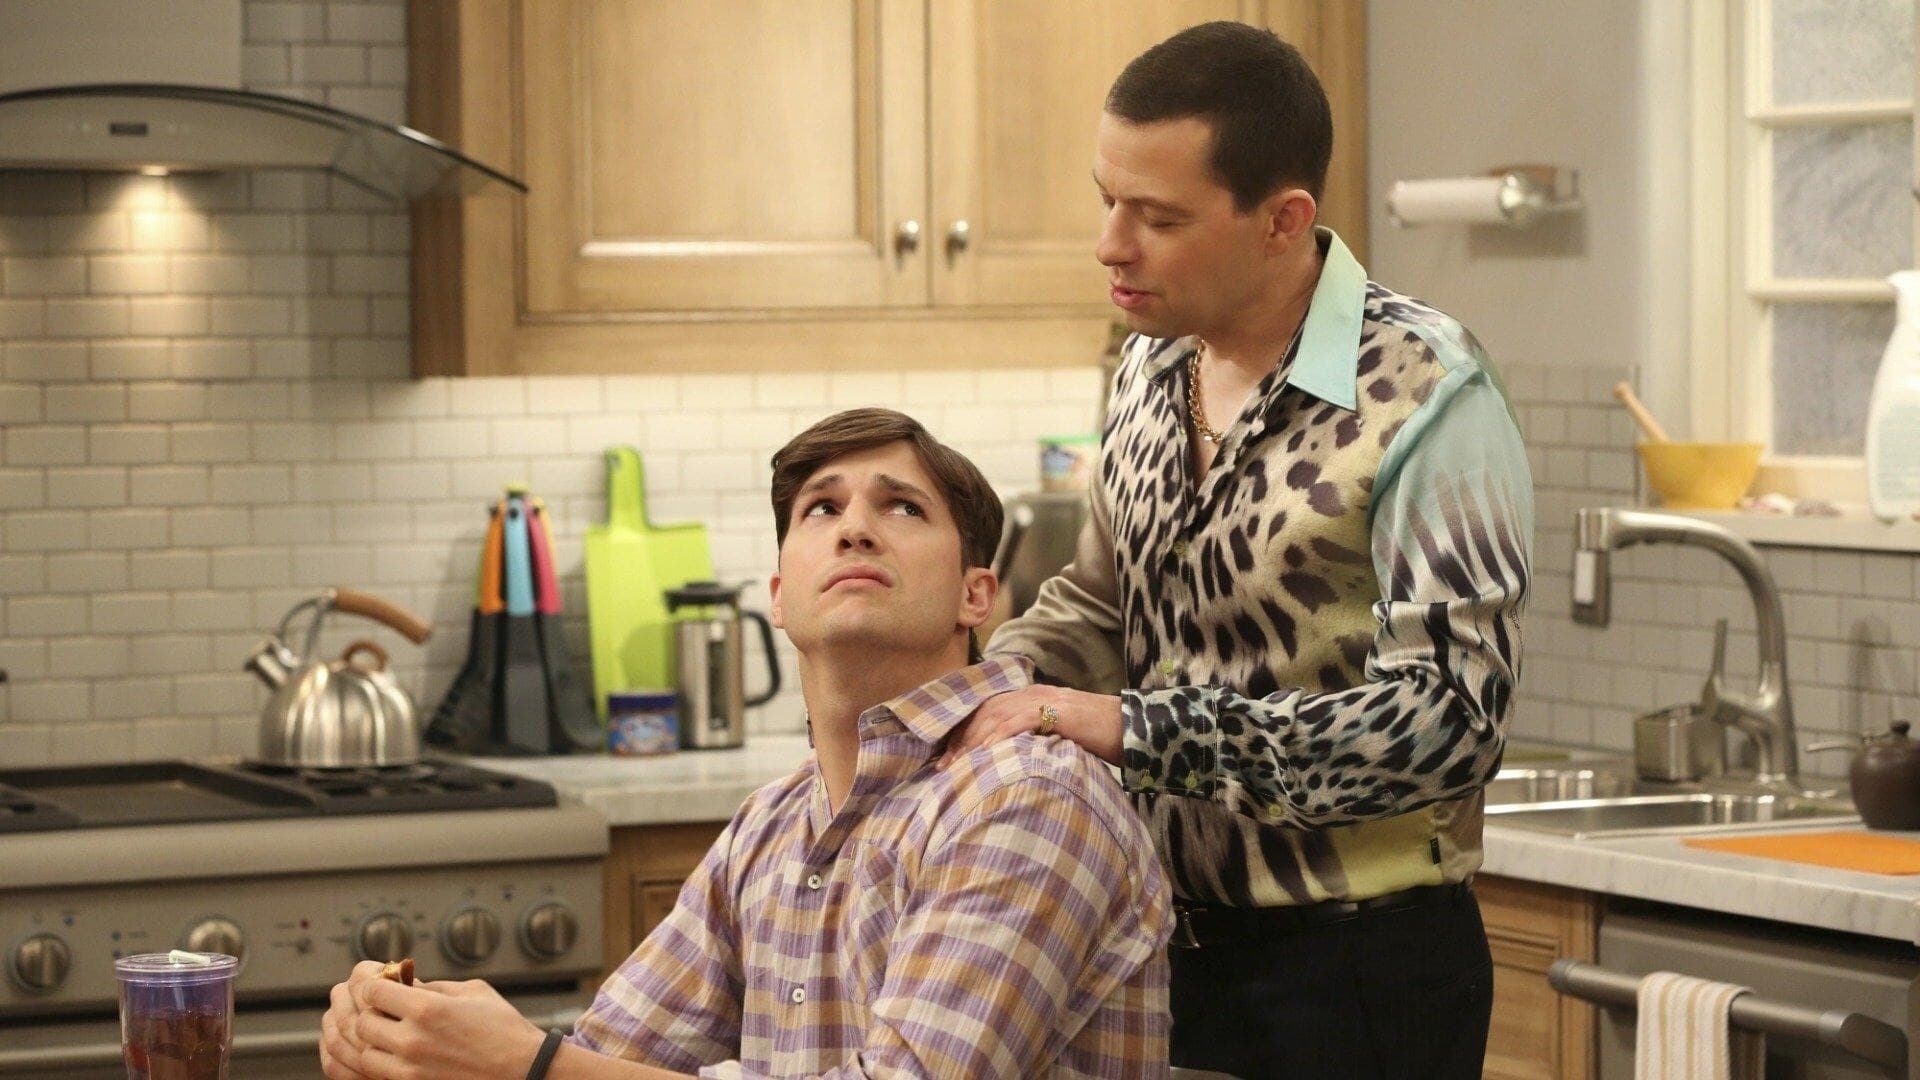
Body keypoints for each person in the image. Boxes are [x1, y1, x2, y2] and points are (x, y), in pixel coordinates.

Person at [942, 21, 1534, 1080]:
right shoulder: (1147, 363)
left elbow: (1451, 720)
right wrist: (985, 692)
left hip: (1357, 973)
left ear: (1283, 220)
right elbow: (1101, 605)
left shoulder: (1428, 392)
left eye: (1158, 217)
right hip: (1154, 948)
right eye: (1106, 201)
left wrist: (1135, 729)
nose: (1110, 244)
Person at [319, 407, 1173, 1080]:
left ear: (975, 595)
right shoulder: (773, 825)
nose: (855, 528)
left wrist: (530, 1065)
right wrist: (419, 1038)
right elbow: (612, 1054)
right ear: (778, 595)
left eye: (902, 507)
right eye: (822, 509)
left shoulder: (1025, 794)